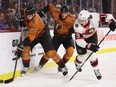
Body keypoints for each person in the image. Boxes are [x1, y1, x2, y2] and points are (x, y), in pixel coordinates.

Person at [15, 6, 68, 76]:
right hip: (34, 34)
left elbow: (30, 37)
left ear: (34, 15)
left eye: (30, 16)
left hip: (43, 35)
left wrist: (21, 45)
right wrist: (23, 19)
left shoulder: (35, 22)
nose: (28, 17)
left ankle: (63, 67)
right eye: (27, 15)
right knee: (26, 49)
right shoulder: (26, 12)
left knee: (50, 53)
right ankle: (26, 67)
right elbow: (24, 11)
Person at [73, 10, 116, 80]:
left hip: (92, 37)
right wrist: (88, 46)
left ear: (88, 18)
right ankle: (77, 63)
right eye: (80, 20)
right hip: (82, 39)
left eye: (83, 20)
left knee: (92, 54)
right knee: (82, 56)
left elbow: (108, 16)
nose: (81, 22)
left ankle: (96, 69)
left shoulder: (94, 17)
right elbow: (79, 41)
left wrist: (111, 22)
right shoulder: (77, 25)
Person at [38, 3, 76, 72]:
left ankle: (62, 65)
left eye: (65, 13)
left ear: (68, 13)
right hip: (57, 37)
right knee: (49, 53)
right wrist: (42, 11)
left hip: (67, 37)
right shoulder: (56, 13)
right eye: (62, 13)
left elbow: (78, 27)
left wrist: (72, 30)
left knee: (70, 52)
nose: (63, 14)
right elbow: (50, 6)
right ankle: (40, 66)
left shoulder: (72, 19)